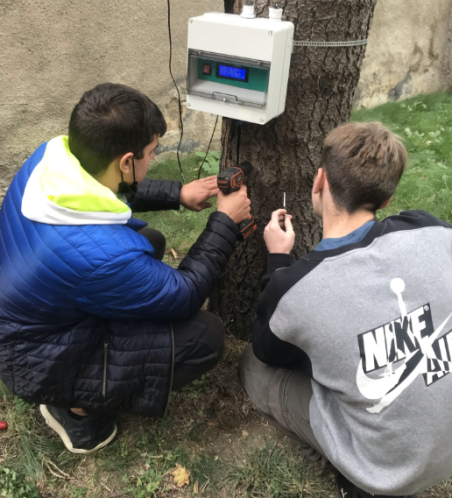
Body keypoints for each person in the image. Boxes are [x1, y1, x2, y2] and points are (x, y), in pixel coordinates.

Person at [0, 83, 250, 454]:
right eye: (152, 153)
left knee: (149, 241)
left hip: (32, 319)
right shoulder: (102, 257)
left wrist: (176, 194)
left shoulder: (52, 157)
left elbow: (106, 190)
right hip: (36, 360)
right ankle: (75, 410)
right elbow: (185, 295)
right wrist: (225, 223)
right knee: (205, 336)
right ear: (127, 162)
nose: (153, 159)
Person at [240, 121, 452, 498]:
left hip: (386, 474)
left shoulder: (295, 287)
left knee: (254, 368)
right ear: (386, 200)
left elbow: (266, 349)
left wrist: (277, 261)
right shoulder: (434, 230)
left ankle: (356, 477)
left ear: (319, 181)